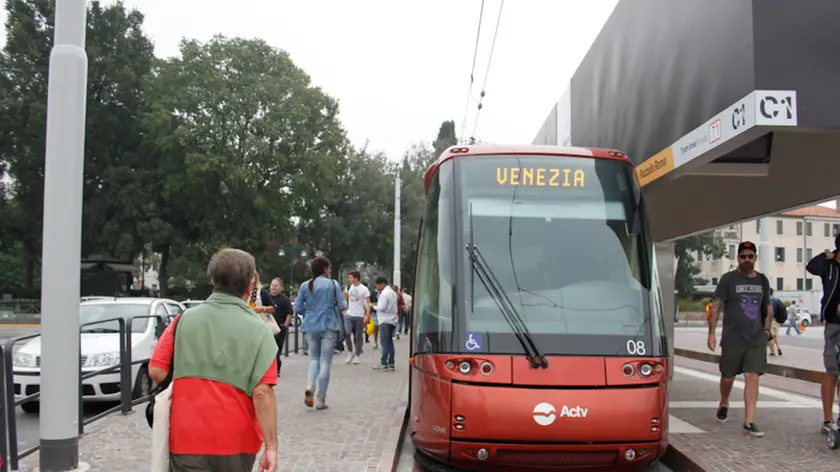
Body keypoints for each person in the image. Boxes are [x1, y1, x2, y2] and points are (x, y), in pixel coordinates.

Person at [148, 248, 278, 472]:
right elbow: (262, 393)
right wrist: (271, 447)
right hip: (236, 439)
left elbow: (156, 369)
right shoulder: (260, 331)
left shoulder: (183, 320)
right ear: (249, 287)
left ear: (212, 281)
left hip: (187, 435)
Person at [707, 241, 770, 437]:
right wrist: (711, 333)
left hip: (756, 338)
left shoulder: (762, 280)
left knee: (753, 375)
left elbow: (767, 308)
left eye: (750, 256)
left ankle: (749, 420)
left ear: (755, 258)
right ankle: (724, 401)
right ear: (738, 258)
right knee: (728, 377)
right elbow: (716, 306)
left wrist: (767, 331)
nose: (747, 259)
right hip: (733, 338)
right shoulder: (728, 280)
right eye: (743, 256)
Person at [294, 256, 347, 409]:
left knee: (314, 359)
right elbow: (342, 304)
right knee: (325, 361)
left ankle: (310, 385)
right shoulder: (332, 284)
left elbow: (297, 308)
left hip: (310, 325)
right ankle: (321, 399)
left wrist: (309, 311)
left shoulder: (305, 285)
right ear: (325, 269)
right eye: (329, 268)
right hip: (329, 324)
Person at [806, 237, 840, 433]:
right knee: (832, 371)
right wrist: (826, 255)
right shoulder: (828, 266)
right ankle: (827, 420)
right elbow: (811, 267)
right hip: (834, 325)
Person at [369, 277, 399, 371]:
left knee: (384, 342)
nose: (377, 287)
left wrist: (373, 306)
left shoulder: (384, 294)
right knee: (389, 342)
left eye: (377, 285)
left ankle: (383, 362)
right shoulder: (392, 293)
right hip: (392, 320)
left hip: (384, 320)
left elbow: (381, 307)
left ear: (381, 284)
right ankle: (391, 362)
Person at [266, 277, 294, 374]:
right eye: (272, 285)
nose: (273, 288)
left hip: (279, 328)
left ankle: (276, 368)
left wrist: (285, 326)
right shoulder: (266, 298)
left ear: (281, 287)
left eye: (276, 286)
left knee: (276, 350)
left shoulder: (285, 300)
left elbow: (289, 313)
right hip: (267, 328)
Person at [344, 270, 370, 364]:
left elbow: (368, 302)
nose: (349, 279)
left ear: (356, 278)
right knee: (347, 333)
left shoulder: (364, 289)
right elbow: (345, 298)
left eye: (350, 277)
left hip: (359, 315)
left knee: (358, 336)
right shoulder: (348, 287)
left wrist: (367, 315)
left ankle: (357, 355)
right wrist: (345, 310)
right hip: (349, 314)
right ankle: (350, 352)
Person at [767, 289, 785, 356]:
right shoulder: (777, 301)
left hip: (770, 321)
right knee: (775, 335)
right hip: (777, 321)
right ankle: (778, 348)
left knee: (770, 336)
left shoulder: (767, 301)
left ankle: (772, 351)